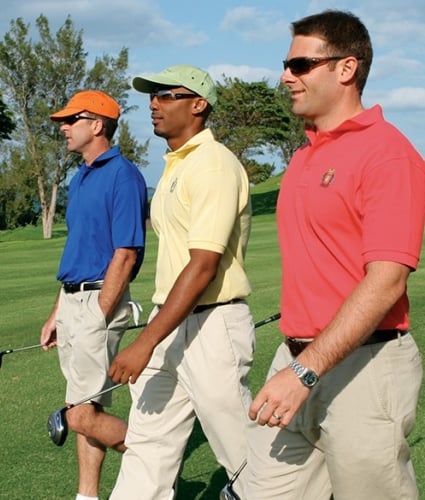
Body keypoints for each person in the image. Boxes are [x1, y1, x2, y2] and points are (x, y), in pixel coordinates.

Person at [246, 9, 425, 500]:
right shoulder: (304, 155)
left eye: (301, 64)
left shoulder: (388, 154)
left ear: (346, 69)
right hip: (294, 360)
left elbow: (387, 280)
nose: (286, 76)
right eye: (286, 64)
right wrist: (296, 365)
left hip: (364, 368)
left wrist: (306, 370)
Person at [108, 65, 255, 500]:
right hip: (171, 320)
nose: (154, 103)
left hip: (211, 325)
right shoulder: (175, 165)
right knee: (146, 446)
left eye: (166, 95)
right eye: (152, 96)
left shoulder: (212, 165)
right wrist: (157, 334)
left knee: (243, 454)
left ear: (198, 104)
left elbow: (204, 265)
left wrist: (145, 341)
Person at [40, 90, 148, 500]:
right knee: (87, 409)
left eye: (71, 120)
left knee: (80, 413)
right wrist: (57, 313)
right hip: (73, 301)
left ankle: (156, 462)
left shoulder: (123, 175)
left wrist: (99, 314)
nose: (64, 128)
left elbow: (125, 253)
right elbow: (78, 252)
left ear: (97, 125)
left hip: (99, 302)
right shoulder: (80, 176)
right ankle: (86, 496)